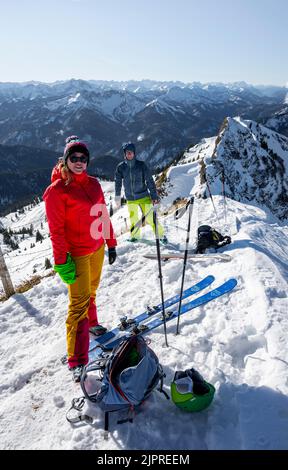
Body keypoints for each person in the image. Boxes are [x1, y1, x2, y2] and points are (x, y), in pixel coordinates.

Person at [43, 136, 117, 382]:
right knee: (78, 306)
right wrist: (62, 261)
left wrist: (111, 242)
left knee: (92, 291)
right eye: (73, 158)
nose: (79, 162)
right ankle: (77, 360)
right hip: (76, 254)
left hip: (96, 249)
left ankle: (93, 323)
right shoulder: (56, 192)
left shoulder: (94, 184)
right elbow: (57, 231)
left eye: (83, 158)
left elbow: (102, 215)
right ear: (65, 160)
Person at [114, 142, 167, 243]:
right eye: (127, 152)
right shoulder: (121, 167)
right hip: (130, 198)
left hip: (143, 196)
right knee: (133, 218)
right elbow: (117, 182)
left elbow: (150, 181)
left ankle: (161, 235)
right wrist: (117, 196)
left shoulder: (141, 165)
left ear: (134, 153)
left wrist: (154, 196)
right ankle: (135, 236)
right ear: (124, 154)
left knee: (151, 217)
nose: (129, 154)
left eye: (131, 152)